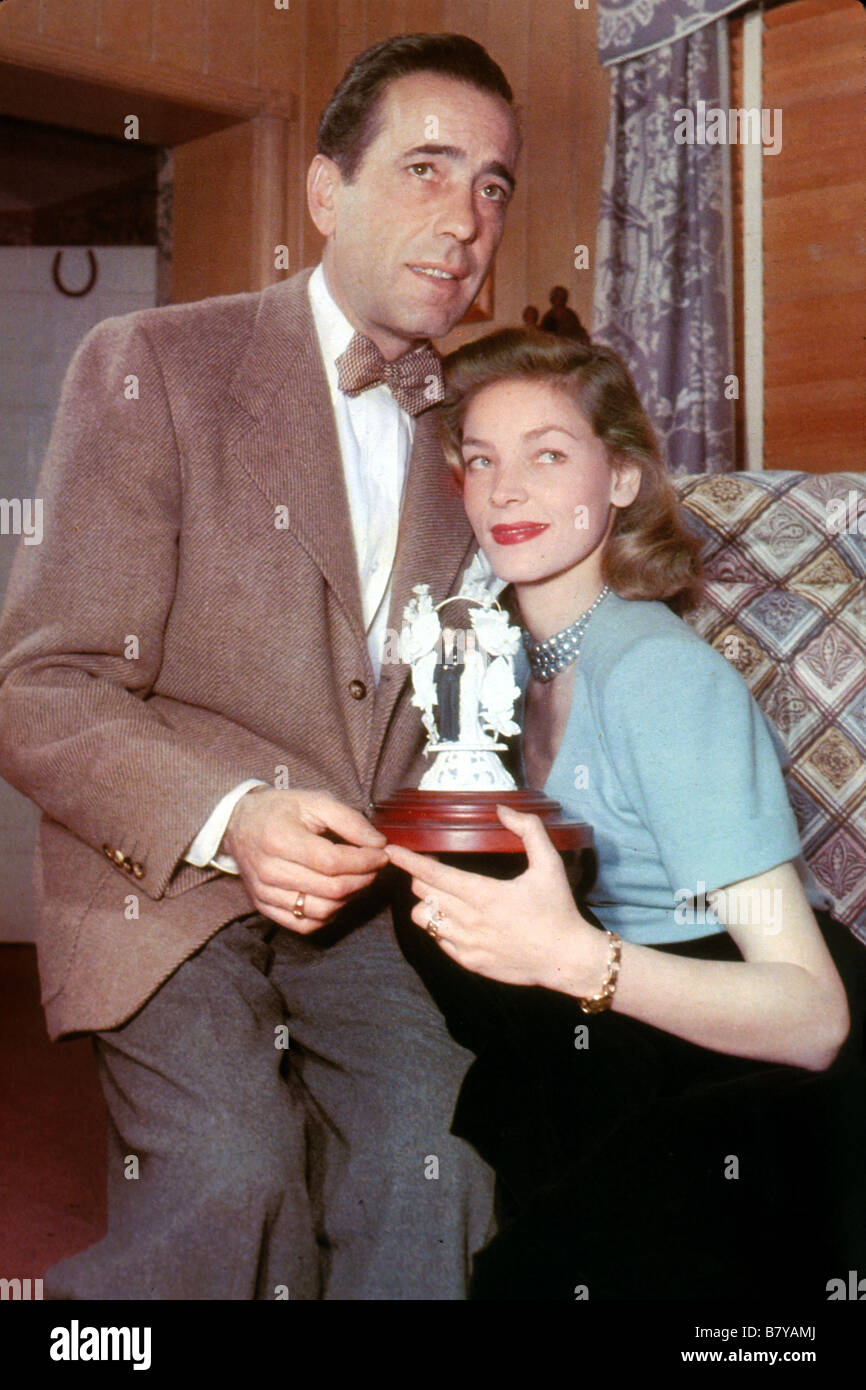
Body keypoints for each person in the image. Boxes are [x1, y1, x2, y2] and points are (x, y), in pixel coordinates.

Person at [0, 34, 520, 1300]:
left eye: (494, 186)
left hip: (361, 916)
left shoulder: (478, 432)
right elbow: (38, 688)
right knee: (238, 1175)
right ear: (324, 192)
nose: (463, 220)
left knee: (436, 1164)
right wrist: (235, 817)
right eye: (426, 168)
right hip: (160, 886)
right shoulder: (152, 364)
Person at [386, 328, 865, 1300]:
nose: (505, 489)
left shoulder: (655, 676)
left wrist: (571, 961)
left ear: (618, 479)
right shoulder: (506, 660)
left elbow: (813, 1017)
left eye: (546, 453)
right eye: (481, 459)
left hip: (788, 1063)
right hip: (642, 1027)